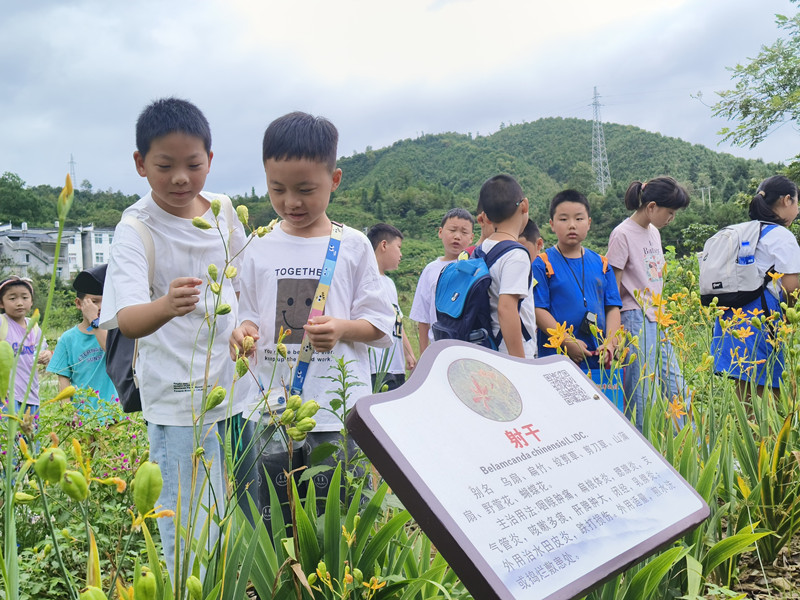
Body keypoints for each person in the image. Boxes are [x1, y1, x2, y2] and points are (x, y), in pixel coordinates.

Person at [98, 97, 247, 579]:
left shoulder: (223, 211)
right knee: (187, 522)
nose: (181, 178)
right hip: (179, 398)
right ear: (141, 164)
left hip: (234, 388)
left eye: (194, 164)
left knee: (229, 512)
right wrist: (166, 305)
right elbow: (125, 319)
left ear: (210, 159)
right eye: (165, 166)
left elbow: (241, 277)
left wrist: (243, 325)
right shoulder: (135, 228)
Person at [228, 112, 394, 508]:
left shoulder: (353, 245)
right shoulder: (259, 244)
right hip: (269, 409)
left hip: (334, 412)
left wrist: (341, 328)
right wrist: (243, 331)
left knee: (338, 517)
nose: (291, 202)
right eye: (277, 189)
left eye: (305, 189)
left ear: (334, 180)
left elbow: (380, 325)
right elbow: (248, 313)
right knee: (270, 520)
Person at [606, 177, 691, 430]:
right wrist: (615, 334)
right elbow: (614, 287)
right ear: (652, 206)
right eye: (670, 212)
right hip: (634, 318)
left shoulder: (653, 231)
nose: (671, 218)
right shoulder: (622, 234)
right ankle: (648, 450)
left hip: (657, 317)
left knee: (677, 387)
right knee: (642, 393)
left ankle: (693, 449)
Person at [711, 175, 800, 399]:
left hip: (731, 318)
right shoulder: (782, 236)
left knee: (747, 396)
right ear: (787, 200)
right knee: (770, 399)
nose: (797, 211)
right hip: (762, 319)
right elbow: (791, 288)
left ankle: (749, 435)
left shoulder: (743, 230)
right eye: (797, 203)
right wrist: (791, 318)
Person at [533, 189, 622, 367]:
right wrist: (565, 341)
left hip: (598, 360)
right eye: (564, 219)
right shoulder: (542, 264)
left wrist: (610, 343)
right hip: (557, 358)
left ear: (589, 223)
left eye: (579, 219)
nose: (572, 225)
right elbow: (537, 310)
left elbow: (612, 308)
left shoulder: (602, 264)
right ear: (552, 224)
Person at [476, 175, 537, 358]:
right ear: (524, 206)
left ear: (486, 217)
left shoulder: (483, 248)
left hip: (487, 345)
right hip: (508, 353)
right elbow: (506, 308)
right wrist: (519, 361)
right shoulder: (516, 255)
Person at [47, 265, 118, 414]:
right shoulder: (68, 339)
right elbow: (64, 382)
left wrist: (95, 321)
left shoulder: (116, 332)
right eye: (94, 301)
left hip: (115, 417)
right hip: (82, 420)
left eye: (105, 302)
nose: (100, 307)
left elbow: (111, 350)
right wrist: (69, 414)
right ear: (79, 304)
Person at [409, 208, 474, 354]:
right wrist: (423, 354)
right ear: (440, 232)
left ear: (471, 238)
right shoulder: (430, 270)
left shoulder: (475, 268)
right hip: (438, 348)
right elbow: (423, 317)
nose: (457, 236)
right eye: (452, 230)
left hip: (471, 348)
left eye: (464, 232)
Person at [366, 224, 417, 391]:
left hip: (395, 366)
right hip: (375, 367)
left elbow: (397, 321)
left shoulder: (389, 283)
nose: (401, 254)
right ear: (384, 245)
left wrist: (409, 353)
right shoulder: (365, 280)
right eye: (399, 247)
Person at [0, 276, 51, 418]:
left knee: (31, 437)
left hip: (31, 394)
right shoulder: (2, 323)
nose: (19, 303)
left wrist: (46, 355)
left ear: (32, 301)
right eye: (12, 298)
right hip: (6, 396)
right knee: (9, 437)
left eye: (24, 297)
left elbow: (40, 352)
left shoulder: (34, 328)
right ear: (1, 303)